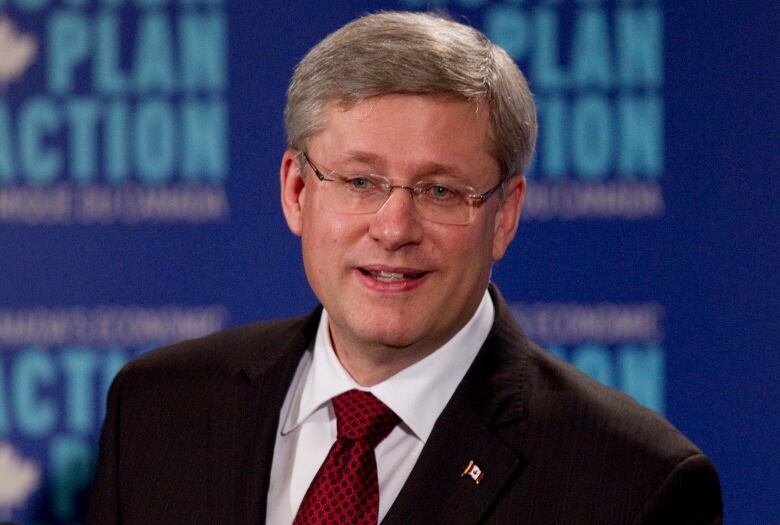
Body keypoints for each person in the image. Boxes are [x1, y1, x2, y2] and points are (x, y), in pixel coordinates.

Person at [86, 11, 722, 525]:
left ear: (504, 214)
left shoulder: (635, 486)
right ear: (297, 192)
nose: (393, 229)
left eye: (441, 191)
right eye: (361, 181)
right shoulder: (157, 408)